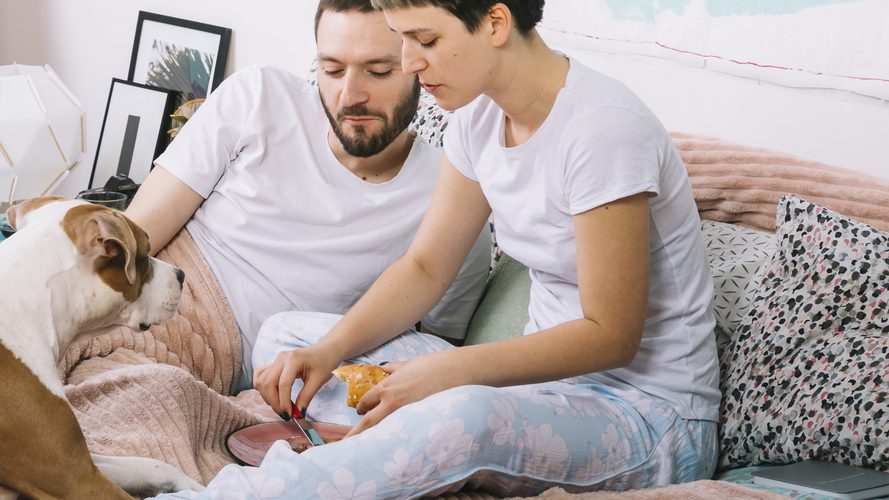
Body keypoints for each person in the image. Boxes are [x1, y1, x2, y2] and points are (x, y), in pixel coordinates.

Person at [158, 1, 720, 498]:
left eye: (425, 41)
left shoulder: (602, 131)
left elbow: (610, 334)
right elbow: (426, 268)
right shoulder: (477, 117)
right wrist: (327, 353)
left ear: (495, 22)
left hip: (648, 418)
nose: (408, 62)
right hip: (539, 389)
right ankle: (382, 446)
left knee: (465, 413)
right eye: (404, 40)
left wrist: (450, 373)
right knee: (289, 339)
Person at [125, 0, 491, 393]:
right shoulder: (260, 95)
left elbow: (438, 356)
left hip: (244, 367)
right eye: (331, 70)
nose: (350, 96)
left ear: (420, 68)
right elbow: (135, 235)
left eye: (379, 71)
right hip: (154, 288)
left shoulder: (452, 196)